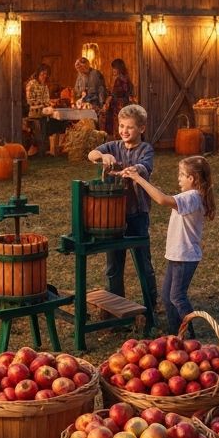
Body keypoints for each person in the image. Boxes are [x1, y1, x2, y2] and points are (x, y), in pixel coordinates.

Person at [121, 155, 215, 335]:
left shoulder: (193, 197)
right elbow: (163, 196)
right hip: (178, 255)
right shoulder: (190, 196)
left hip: (185, 256)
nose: (178, 178)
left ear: (192, 178)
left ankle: (189, 335)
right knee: (167, 296)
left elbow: (162, 200)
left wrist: (138, 179)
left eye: (181, 175)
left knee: (177, 296)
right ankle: (175, 334)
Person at [86, 104, 155, 300]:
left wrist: (131, 171)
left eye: (129, 127)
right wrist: (102, 155)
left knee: (143, 261)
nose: (124, 131)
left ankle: (150, 300)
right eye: (121, 126)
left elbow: (143, 167)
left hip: (137, 213)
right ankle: (115, 301)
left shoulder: (146, 149)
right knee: (113, 263)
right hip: (113, 215)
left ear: (141, 128)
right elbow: (91, 155)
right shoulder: (113, 146)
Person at [25, 65, 64, 156]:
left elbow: (46, 100)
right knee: (41, 125)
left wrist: (51, 102)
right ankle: (39, 148)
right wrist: (45, 104)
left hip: (45, 112)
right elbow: (30, 101)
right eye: (42, 74)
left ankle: (49, 148)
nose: (44, 76)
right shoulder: (31, 84)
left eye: (46, 74)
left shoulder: (45, 86)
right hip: (35, 112)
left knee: (58, 122)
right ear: (38, 74)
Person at [74, 56, 107, 130]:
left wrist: (102, 104)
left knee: (94, 124)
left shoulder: (95, 74)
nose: (80, 71)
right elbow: (76, 88)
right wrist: (80, 93)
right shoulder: (80, 75)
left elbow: (101, 89)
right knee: (85, 125)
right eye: (78, 69)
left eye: (81, 68)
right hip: (84, 103)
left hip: (95, 103)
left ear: (86, 66)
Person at [105, 58, 134, 135]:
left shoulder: (119, 79)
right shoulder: (126, 78)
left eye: (114, 68)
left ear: (119, 69)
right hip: (124, 104)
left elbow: (115, 94)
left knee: (118, 125)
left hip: (119, 105)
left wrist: (108, 99)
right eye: (113, 68)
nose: (113, 70)